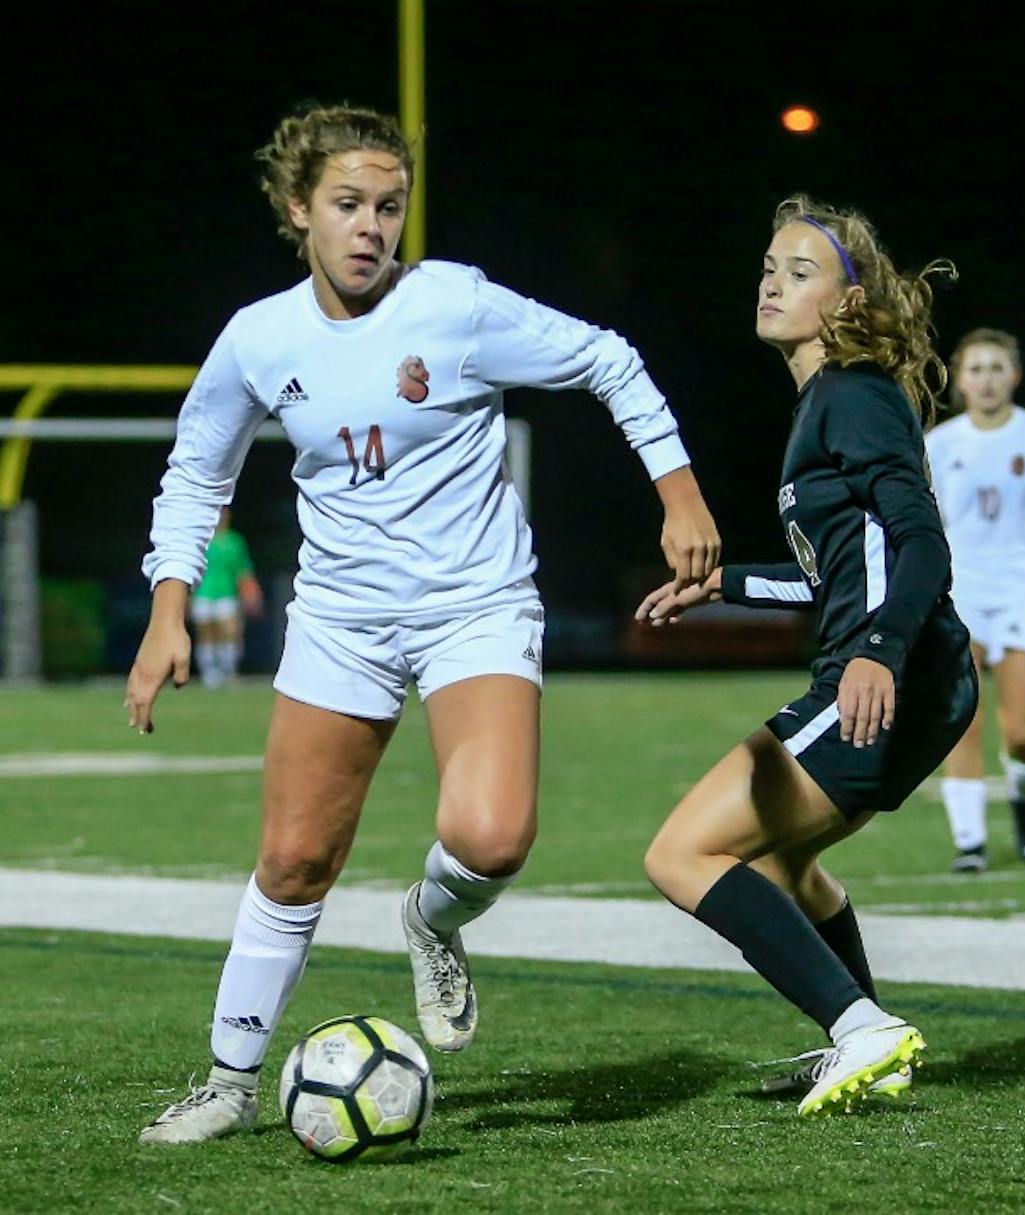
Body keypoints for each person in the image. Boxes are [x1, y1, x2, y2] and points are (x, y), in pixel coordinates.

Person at [132, 104, 721, 1145]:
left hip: (474, 605)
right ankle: (227, 1083)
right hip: (343, 621)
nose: (371, 227)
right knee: (296, 861)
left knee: (491, 837)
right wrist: (168, 608)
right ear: (297, 209)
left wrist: (680, 495)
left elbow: (609, 360)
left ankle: (430, 918)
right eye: (348, 205)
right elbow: (195, 473)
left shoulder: (454, 305)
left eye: (389, 207)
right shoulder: (258, 340)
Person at [637, 195, 974, 1116]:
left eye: (799, 270)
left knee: (680, 854)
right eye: (767, 266)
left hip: (896, 670)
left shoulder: (851, 396)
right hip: (918, 672)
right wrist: (727, 584)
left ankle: (861, 1027)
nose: (771, 282)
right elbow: (835, 577)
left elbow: (923, 541)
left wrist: (876, 651)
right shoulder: (825, 405)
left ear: (851, 304)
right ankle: (872, 1034)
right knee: (785, 867)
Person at [925, 329, 1025, 871]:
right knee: (959, 718)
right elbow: (920, 524)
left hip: (1021, 592)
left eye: (997, 368)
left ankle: (1023, 792)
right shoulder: (940, 445)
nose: (986, 379)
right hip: (960, 591)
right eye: (976, 369)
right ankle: (970, 844)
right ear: (959, 379)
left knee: (1018, 733)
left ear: (1014, 376)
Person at [189, 507, 265, 688]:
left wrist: (251, 593)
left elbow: (243, 570)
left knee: (230, 632)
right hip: (203, 592)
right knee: (206, 634)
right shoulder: (201, 540)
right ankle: (209, 674)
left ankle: (228, 670)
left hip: (227, 593)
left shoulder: (235, 541)